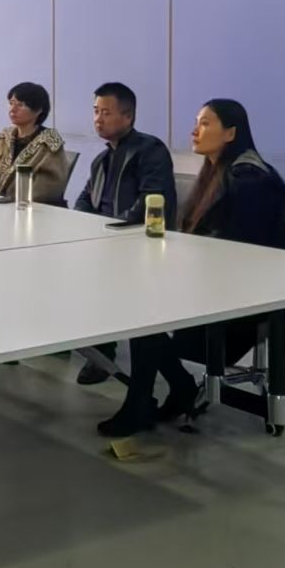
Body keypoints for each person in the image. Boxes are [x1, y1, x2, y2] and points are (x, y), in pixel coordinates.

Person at [96, 98, 285, 439]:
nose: (194, 131)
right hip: (218, 283)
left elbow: (240, 254)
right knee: (140, 304)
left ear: (231, 133)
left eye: (205, 123)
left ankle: (148, 400)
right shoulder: (217, 173)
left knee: (145, 312)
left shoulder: (249, 180)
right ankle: (173, 390)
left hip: (249, 299)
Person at [73, 82, 178, 386]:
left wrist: (110, 230)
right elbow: (85, 198)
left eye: (106, 113)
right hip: (106, 243)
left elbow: (150, 200)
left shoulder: (149, 150)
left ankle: (105, 354)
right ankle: (98, 351)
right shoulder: (103, 158)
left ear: (128, 116)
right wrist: (86, 226)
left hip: (137, 246)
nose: (98, 119)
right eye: (95, 111)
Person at [0, 82, 70, 202]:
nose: (12, 110)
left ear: (38, 110)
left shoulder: (49, 143)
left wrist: (15, 200)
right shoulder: (1, 139)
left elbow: (49, 186)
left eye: (20, 105)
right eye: (11, 103)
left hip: (29, 207)